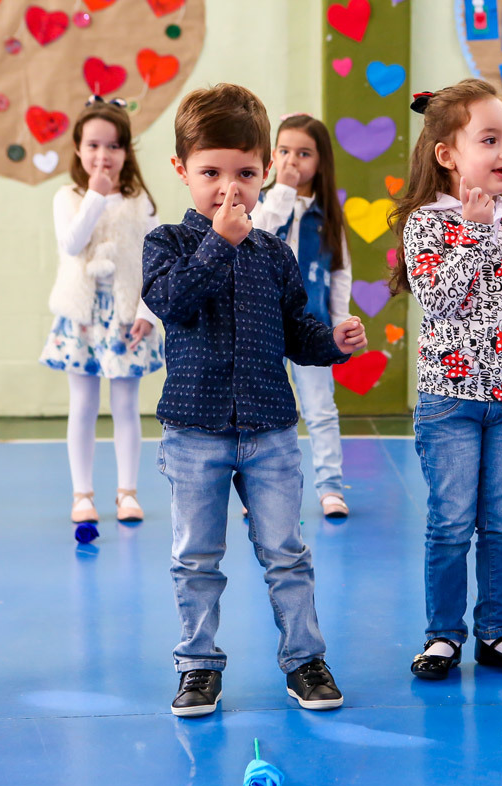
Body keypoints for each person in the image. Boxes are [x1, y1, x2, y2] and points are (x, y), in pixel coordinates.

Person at [142, 83, 367, 716]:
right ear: (182, 170)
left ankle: (305, 660)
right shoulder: (167, 243)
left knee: (287, 554)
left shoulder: (274, 254)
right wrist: (220, 241)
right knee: (196, 557)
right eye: (211, 173)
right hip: (194, 432)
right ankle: (197, 665)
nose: (229, 189)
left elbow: (297, 331)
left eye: (244, 174)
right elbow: (172, 302)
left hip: (270, 431)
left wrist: (332, 342)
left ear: (266, 170)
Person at [390, 79, 502, 680]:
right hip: (450, 402)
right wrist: (472, 233)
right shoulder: (427, 223)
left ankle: (496, 632)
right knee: (449, 523)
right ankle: (443, 635)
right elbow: (440, 299)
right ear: (448, 154)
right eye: (489, 140)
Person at [40, 97, 164, 524]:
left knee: (126, 405)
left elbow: (155, 264)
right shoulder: (68, 197)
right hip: (82, 315)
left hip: (126, 315)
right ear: (78, 148)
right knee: (83, 404)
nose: (102, 155)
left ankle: (127, 492)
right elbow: (72, 244)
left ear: (126, 151)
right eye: (93, 145)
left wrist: (148, 312)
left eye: (113, 146)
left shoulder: (141, 201)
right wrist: (95, 195)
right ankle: (82, 495)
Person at [251, 114, 353, 519]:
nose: (293, 160)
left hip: (312, 329)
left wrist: (339, 322)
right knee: (264, 413)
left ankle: (330, 487)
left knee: (321, 410)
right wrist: (283, 191)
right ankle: (260, 491)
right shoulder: (263, 204)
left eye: (304, 153)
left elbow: (340, 271)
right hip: (263, 327)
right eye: (284, 151)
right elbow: (257, 234)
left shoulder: (328, 215)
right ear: (272, 156)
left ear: (321, 160)